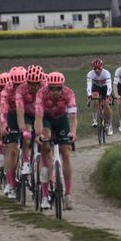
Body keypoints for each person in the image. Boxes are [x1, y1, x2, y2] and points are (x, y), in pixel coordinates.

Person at [35, 72, 77, 210]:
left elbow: (72, 116)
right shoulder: (41, 93)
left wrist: (73, 132)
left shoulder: (69, 93)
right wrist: (39, 134)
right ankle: (45, 195)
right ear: (48, 88)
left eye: (58, 88)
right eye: (52, 88)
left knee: (66, 151)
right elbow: (39, 117)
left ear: (62, 87)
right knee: (45, 148)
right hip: (46, 119)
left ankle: (68, 194)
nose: (55, 92)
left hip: (62, 119)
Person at [0, 66, 27, 199]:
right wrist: (4, 123)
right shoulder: (7, 89)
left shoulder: (30, 86)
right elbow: (3, 108)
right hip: (12, 116)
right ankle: (10, 183)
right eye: (15, 84)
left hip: (27, 114)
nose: (18, 87)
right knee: (13, 150)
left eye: (20, 84)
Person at [15, 64, 46, 183]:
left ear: (41, 81)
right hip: (27, 114)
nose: (33, 86)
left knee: (45, 137)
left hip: (41, 114)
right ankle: (26, 163)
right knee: (27, 136)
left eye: (36, 83)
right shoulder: (21, 89)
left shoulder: (46, 87)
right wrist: (23, 130)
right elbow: (19, 111)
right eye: (30, 83)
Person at [86, 57, 113, 135]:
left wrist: (108, 95)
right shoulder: (90, 74)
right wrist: (89, 95)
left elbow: (109, 87)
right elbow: (89, 86)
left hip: (105, 88)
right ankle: (95, 119)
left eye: (99, 69)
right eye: (95, 69)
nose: (97, 70)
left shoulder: (106, 73)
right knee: (95, 100)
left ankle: (110, 125)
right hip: (96, 87)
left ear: (102, 67)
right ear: (93, 68)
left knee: (106, 104)